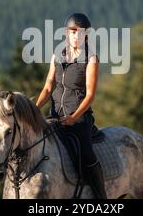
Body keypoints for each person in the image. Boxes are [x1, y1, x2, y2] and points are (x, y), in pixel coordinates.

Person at [35, 13, 107, 199]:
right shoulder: (57, 56)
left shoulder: (91, 59)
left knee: (86, 154)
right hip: (55, 116)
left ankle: (101, 198)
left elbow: (90, 94)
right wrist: (35, 109)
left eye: (80, 32)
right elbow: (48, 86)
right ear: (67, 33)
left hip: (79, 118)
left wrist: (74, 118)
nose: (76, 36)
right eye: (73, 32)